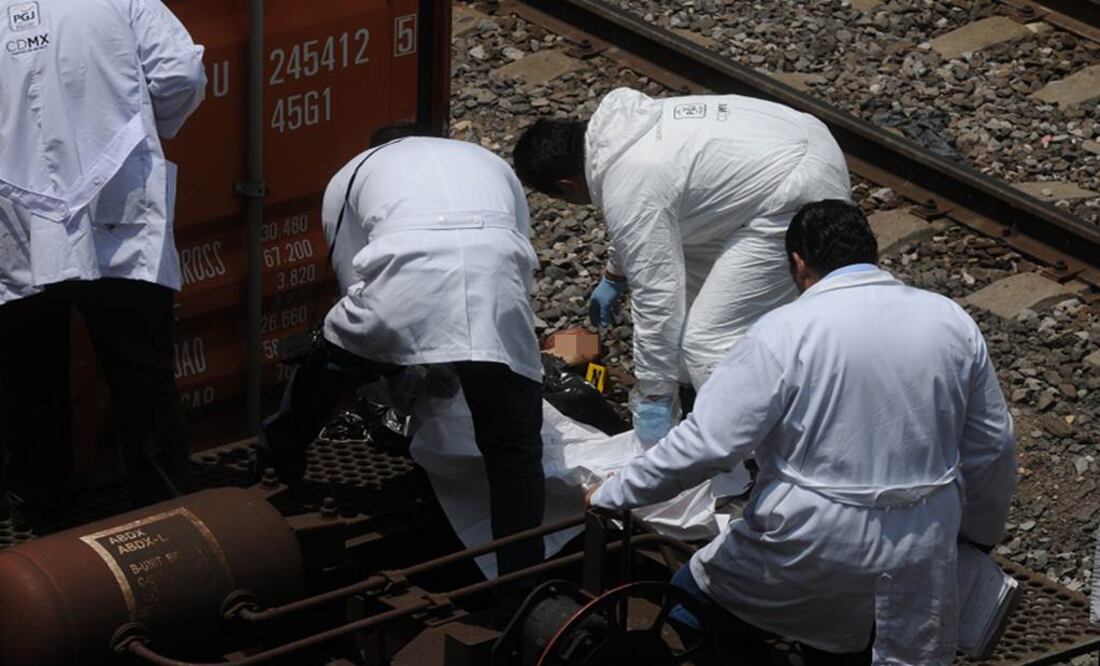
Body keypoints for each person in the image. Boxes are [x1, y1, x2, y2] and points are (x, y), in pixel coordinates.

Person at [586, 200, 1017, 664]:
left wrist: (615, 493)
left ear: (798, 262)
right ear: (871, 254)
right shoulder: (950, 321)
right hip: (922, 538)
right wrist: (977, 534)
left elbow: (708, 445)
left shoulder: (781, 332)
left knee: (691, 600)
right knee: (868, 645)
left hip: (813, 538)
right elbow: (993, 444)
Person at [258, 126, 546, 575]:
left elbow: (352, 278)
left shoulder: (351, 173)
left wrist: (394, 361)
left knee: (328, 361)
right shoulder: (486, 159)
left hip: (402, 283)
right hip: (496, 289)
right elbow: (518, 250)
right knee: (514, 446)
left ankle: (277, 464)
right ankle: (522, 578)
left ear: (376, 147)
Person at [513, 89, 851, 445]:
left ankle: (754, 446)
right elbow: (644, 222)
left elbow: (657, 295)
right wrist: (615, 273)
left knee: (705, 341)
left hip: (792, 190)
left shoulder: (629, 182)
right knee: (696, 291)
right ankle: (725, 385)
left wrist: (654, 394)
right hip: (794, 142)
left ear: (566, 186)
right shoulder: (622, 130)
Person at [0, 0, 206, 528]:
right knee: (142, 374)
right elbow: (179, 73)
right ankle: (164, 517)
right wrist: (145, 126)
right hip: (118, 204)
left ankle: (42, 523)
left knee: (29, 381)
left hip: (16, 221)